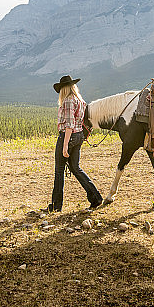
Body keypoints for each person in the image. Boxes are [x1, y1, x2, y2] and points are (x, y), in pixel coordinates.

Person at [49, 75, 103, 212]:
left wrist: (65, 145)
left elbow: (69, 125)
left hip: (68, 136)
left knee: (59, 171)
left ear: (64, 89)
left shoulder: (67, 101)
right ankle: (96, 197)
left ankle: (56, 206)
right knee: (76, 168)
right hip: (79, 136)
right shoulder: (80, 100)